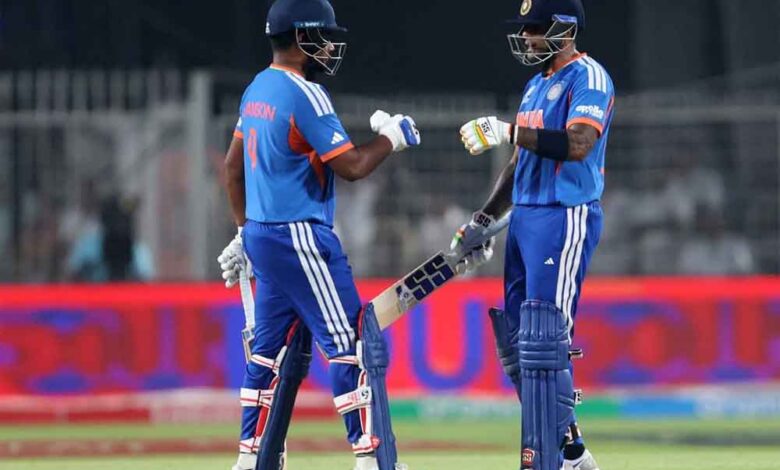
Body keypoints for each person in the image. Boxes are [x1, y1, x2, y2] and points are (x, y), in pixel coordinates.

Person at [217, 1, 420, 469]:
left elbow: (231, 168)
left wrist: (244, 232)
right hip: (301, 237)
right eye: (324, 37)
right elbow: (352, 166)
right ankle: (371, 457)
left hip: (265, 237)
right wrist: (392, 137)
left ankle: (250, 458)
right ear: (302, 36)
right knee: (354, 344)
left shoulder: (256, 88)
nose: (330, 47)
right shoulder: (306, 94)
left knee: (267, 355)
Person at [452, 1, 614, 469]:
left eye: (535, 28)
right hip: (525, 217)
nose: (526, 37)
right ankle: (572, 452)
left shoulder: (590, 78)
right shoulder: (535, 84)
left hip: (563, 216)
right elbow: (518, 162)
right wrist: (484, 220)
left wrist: (507, 130)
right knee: (519, 345)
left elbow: (579, 143)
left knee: (547, 340)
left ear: (564, 28)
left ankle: (552, 458)